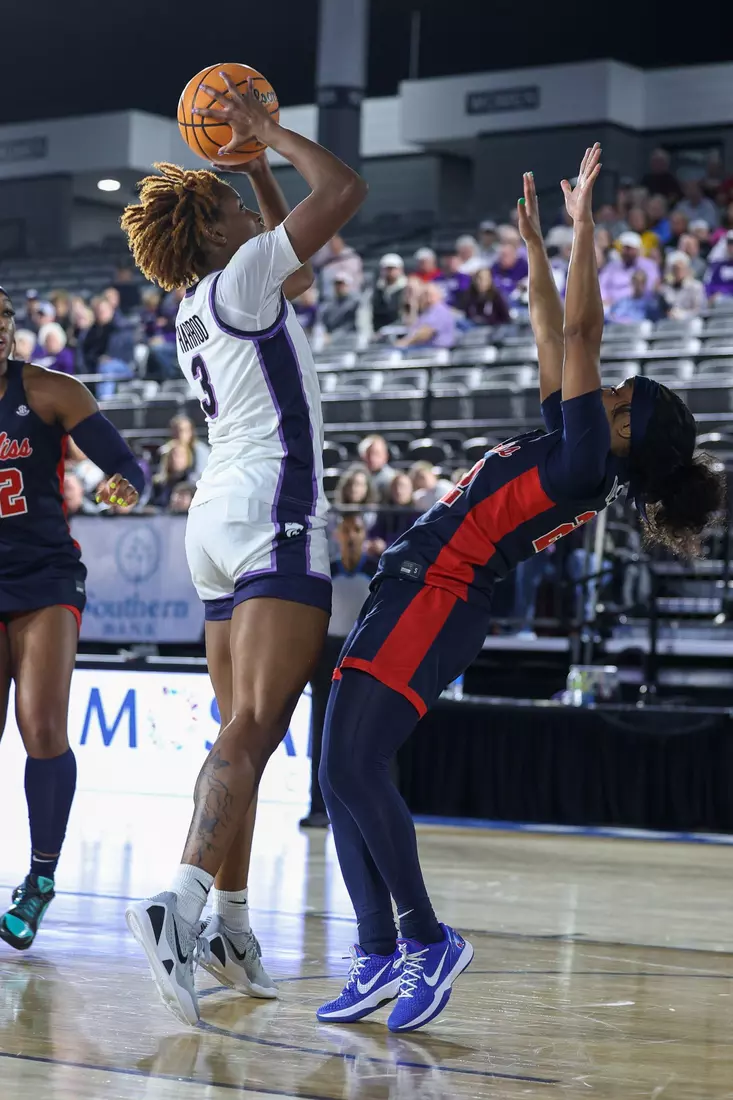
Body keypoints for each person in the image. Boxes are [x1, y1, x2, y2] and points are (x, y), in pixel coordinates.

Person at [315, 148, 725, 1034]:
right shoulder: (571, 446)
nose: (607, 383)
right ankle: (377, 953)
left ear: (624, 427)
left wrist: (584, 229)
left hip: (442, 593)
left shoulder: (584, 461)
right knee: (337, 770)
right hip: (417, 586)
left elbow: (580, 336)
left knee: (354, 766)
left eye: (621, 392)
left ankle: (425, 941)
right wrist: (536, 245)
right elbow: (553, 335)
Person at [119, 71, 366, 1027]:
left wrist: (253, 170)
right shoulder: (242, 277)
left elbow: (293, 262)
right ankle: (177, 903)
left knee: (241, 736)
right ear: (217, 234)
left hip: (213, 521)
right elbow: (341, 191)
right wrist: (272, 132)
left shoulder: (200, 302)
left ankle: (226, 920)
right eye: (228, 201)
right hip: (272, 509)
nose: (238, 203)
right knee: (256, 727)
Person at [0, 287, 144, 952]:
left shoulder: (48, 389)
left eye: (4, 318)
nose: (1, 329)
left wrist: (123, 484)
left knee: (42, 723)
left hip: (46, 576)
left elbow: (123, 461)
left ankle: (42, 876)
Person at [301, 513, 376, 830]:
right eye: (345, 530)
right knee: (322, 732)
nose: (350, 536)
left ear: (364, 535)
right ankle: (319, 805)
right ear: (336, 536)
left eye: (356, 530)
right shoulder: (326, 574)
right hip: (328, 653)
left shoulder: (375, 574)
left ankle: (365, 809)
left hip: (362, 652)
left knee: (365, 734)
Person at [598, 231, 660, 308]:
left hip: (638, 305)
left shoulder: (648, 266)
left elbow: (650, 288)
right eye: (624, 248)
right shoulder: (612, 266)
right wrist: (605, 299)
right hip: (611, 306)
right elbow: (601, 285)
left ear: (637, 249)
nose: (626, 252)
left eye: (629, 249)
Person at [397, 283, 456, 350]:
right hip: (424, 351)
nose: (426, 298)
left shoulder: (439, 310)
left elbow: (425, 333)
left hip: (435, 352)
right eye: (423, 295)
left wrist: (405, 343)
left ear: (439, 295)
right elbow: (412, 326)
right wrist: (414, 307)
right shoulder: (428, 311)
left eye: (429, 294)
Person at [660, 252, 706, 319]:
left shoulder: (696, 286)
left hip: (690, 321)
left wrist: (683, 314)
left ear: (687, 269)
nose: (678, 271)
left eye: (680, 268)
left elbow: (700, 311)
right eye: (675, 269)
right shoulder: (665, 288)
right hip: (671, 321)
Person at [371, 254, 407, 332]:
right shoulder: (375, 290)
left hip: (401, 331)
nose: (390, 272)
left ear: (400, 269)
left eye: (393, 268)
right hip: (378, 333)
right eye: (387, 269)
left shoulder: (407, 289)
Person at [357, 435, 395, 499]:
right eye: (368, 454)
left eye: (377, 453)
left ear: (386, 455)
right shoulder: (354, 477)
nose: (372, 458)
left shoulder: (393, 479)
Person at [704, 232, 733, 300]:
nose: (732, 247)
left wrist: (724, 291)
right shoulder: (718, 266)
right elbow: (709, 284)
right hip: (720, 302)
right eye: (730, 243)